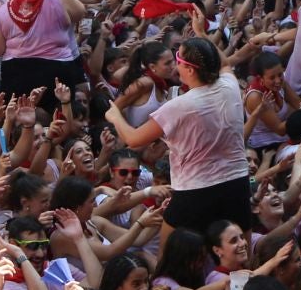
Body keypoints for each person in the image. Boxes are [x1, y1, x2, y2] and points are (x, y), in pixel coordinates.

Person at [108, 37, 252, 235]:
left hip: (196, 189)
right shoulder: (230, 85)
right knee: (239, 248)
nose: (176, 65)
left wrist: (115, 116)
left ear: (190, 70)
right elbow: (225, 64)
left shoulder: (178, 106)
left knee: (173, 252)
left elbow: (133, 139)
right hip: (237, 182)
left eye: (178, 59)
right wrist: (202, 34)